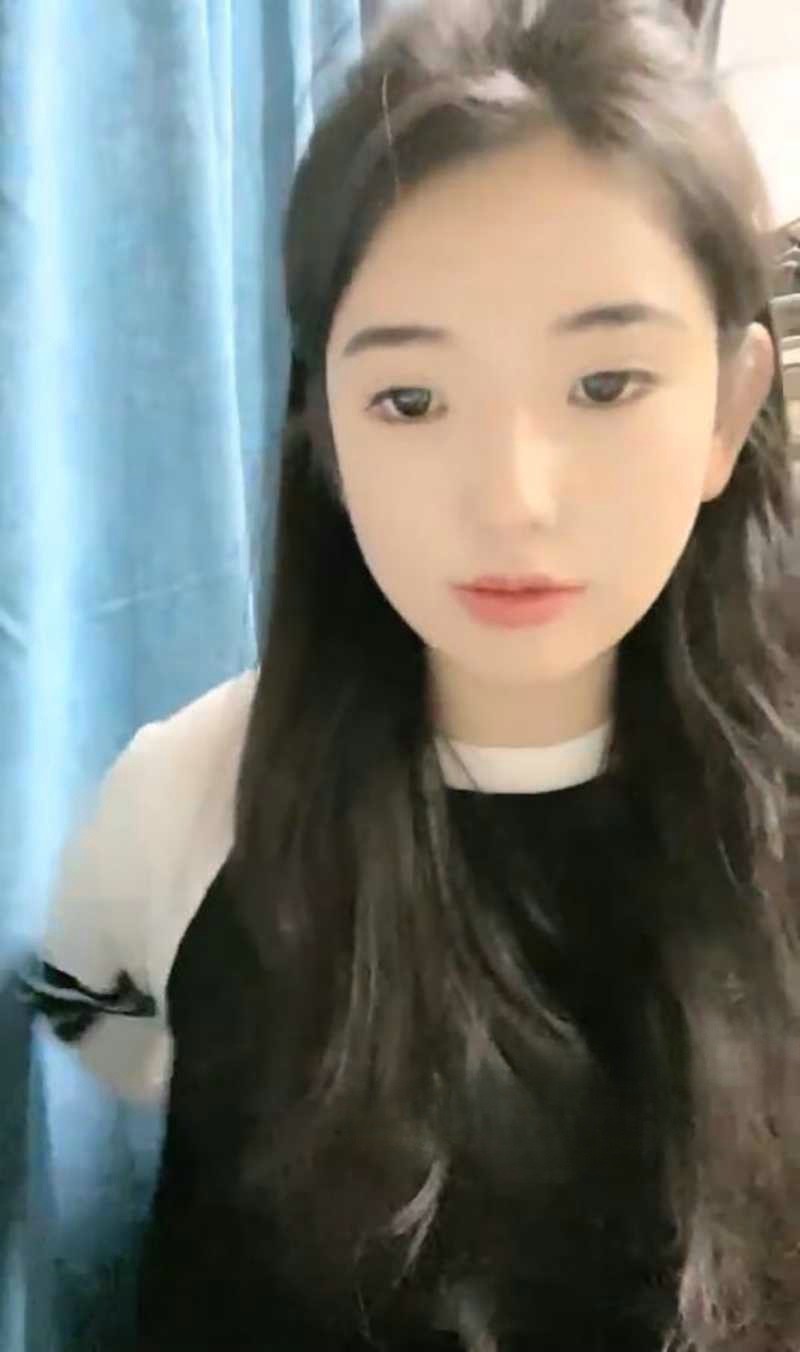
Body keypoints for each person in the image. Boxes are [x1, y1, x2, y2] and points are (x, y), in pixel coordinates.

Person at [20, 0, 800, 1348]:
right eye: (412, 400)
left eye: (605, 385)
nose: (511, 500)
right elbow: (98, 1035)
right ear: (323, 425)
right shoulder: (187, 798)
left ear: (731, 405)